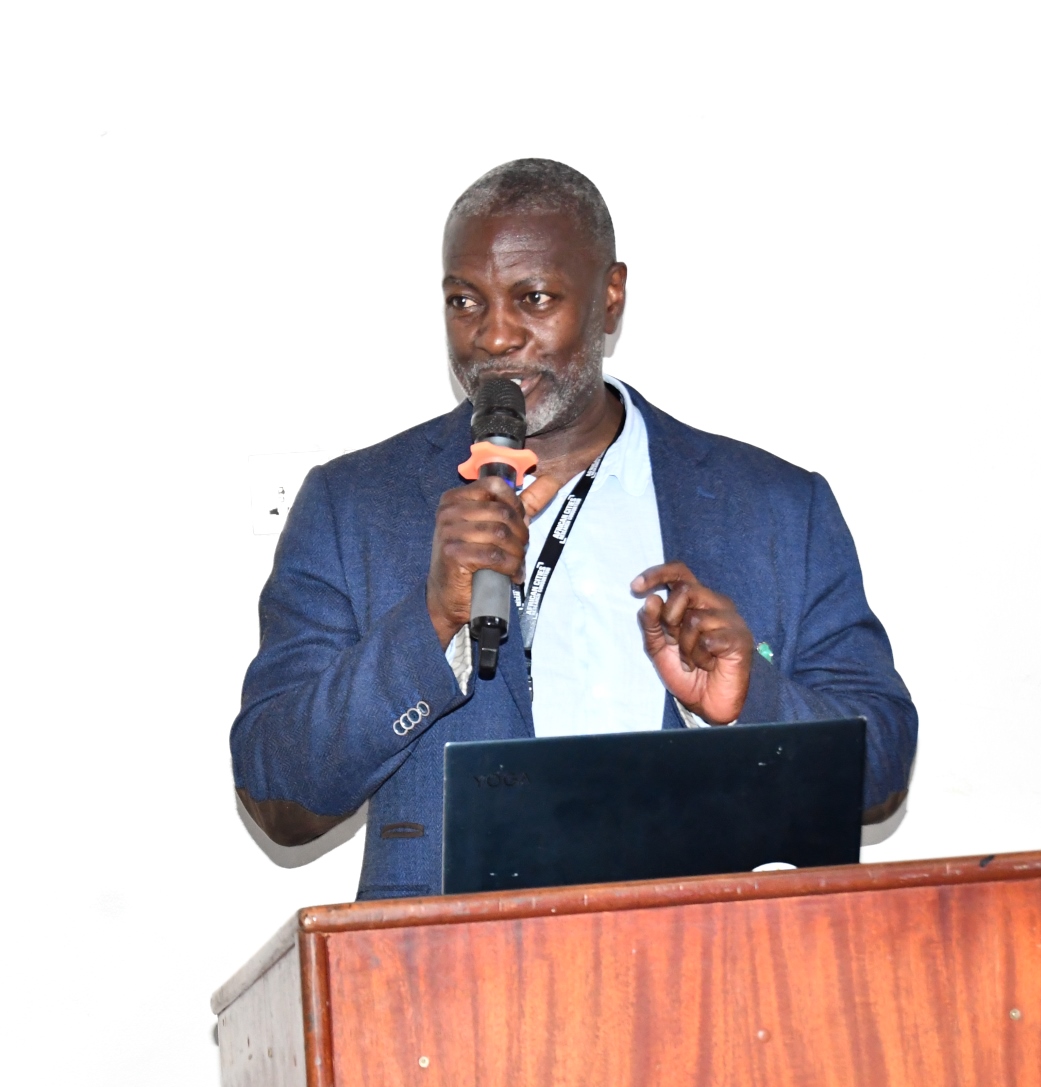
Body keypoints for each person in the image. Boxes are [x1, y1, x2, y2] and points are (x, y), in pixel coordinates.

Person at [231, 159, 918, 901]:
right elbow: (277, 795)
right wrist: (430, 621)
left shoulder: (776, 509)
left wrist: (754, 697)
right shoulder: (354, 506)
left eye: (533, 297)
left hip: (715, 979)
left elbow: (878, 770)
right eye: (465, 301)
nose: (493, 335)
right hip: (447, 993)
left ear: (610, 297)